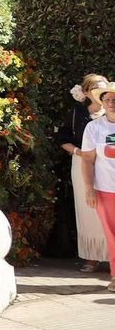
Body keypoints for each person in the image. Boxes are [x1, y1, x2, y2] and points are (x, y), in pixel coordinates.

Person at [62, 73, 110, 270]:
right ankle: (91, 257)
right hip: (83, 164)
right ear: (86, 92)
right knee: (87, 210)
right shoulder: (77, 114)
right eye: (95, 88)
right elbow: (63, 138)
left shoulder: (111, 113)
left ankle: (111, 257)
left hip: (108, 166)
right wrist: (78, 152)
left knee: (108, 210)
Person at [81, 80, 115, 289]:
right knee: (112, 234)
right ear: (102, 102)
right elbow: (87, 160)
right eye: (108, 99)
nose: (112, 103)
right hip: (106, 190)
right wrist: (89, 189)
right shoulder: (94, 127)